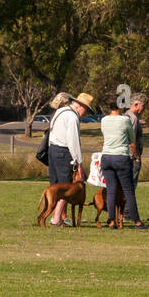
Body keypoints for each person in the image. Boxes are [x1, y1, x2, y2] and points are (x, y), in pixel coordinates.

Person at [48, 92, 94, 226]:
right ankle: (56, 219)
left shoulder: (60, 111)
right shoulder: (73, 118)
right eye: (86, 110)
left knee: (55, 185)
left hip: (53, 150)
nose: (86, 114)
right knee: (66, 187)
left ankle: (57, 216)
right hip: (63, 152)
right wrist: (79, 163)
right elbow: (73, 142)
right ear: (80, 106)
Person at [100, 95, 145, 229]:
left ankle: (111, 220)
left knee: (111, 190)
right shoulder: (125, 120)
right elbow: (132, 139)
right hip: (121, 157)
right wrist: (136, 155)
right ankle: (136, 221)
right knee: (128, 190)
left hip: (106, 157)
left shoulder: (104, 120)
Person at [128, 92, 147, 185]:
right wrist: (137, 156)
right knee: (131, 185)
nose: (144, 109)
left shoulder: (127, 115)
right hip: (132, 157)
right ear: (136, 104)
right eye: (143, 105)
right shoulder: (133, 118)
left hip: (129, 156)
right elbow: (132, 139)